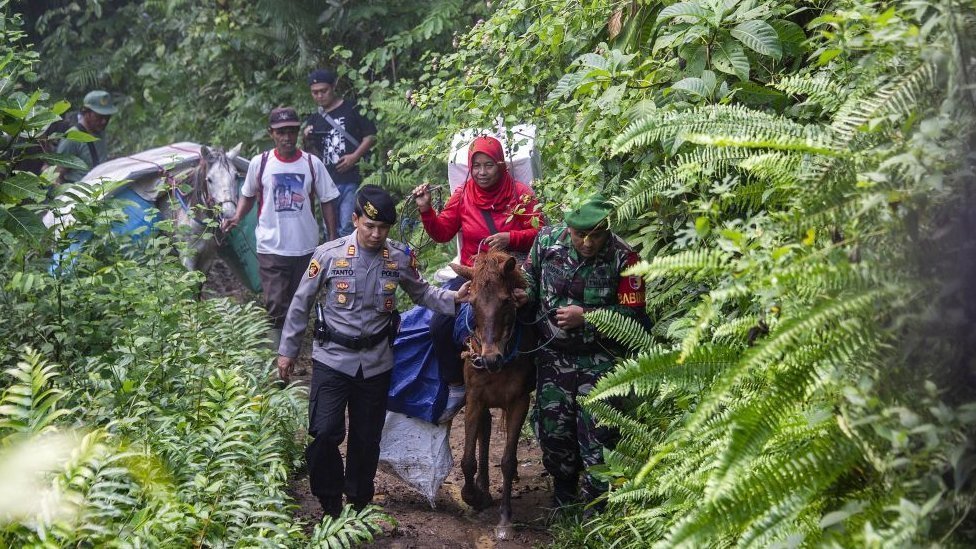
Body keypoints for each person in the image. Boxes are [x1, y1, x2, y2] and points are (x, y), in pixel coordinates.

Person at [277, 185, 471, 518]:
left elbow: (421, 292)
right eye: (369, 226)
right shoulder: (326, 255)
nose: (376, 233)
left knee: (366, 441)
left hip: (376, 363)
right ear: (355, 220)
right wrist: (287, 351)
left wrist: (453, 298)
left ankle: (357, 504)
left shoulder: (397, 257)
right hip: (332, 359)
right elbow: (301, 302)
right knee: (324, 433)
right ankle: (329, 502)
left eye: (382, 228)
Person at [515, 194, 647, 511]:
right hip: (553, 357)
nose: (587, 242)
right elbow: (531, 276)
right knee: (554, 432)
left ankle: (600, 509)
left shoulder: (625, 258)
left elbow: (638, 318)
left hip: (600, 360)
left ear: (607, 231)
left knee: (599, 438)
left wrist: (587, 316)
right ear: (569, 229)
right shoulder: (547, 240)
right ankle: (564, 500)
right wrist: (524, 293)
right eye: (580, 235)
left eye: (596, 235)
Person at [411, 135, 543, 423]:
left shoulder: (520, 194)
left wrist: (511, 236)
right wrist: (426, 210)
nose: (482, 173)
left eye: (488, 166)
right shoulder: (462, 195)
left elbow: (540, 232)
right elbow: (443, 232)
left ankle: (540, 383)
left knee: (538, 316)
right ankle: (457, 385)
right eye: (476, 166)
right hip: (474, 273)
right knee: (439, 324)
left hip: (511, 272)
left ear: (501, 165)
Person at [221, 107, 339, 350]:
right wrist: (237, 217)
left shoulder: (311, 163)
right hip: (271, 246)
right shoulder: (261, 163)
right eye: (281, 132)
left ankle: (294, 348)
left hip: (305, 246)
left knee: (301, 300)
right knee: (275, 302)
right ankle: (279, 354)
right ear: (271, 133)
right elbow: (248, 195)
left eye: (291, 131)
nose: (286, 137)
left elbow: (327, 200)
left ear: (297, 133)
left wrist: (332, 237)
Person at [302, 69, 377, 239]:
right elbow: (312, 157)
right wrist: (306, 138)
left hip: (352, 178)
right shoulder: (314, 119)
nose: (320, 96)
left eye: (324, 91)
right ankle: (336, 264)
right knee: (330, 231)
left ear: (333, 86)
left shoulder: (351, 108)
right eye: (315, 92)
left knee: (348, 227)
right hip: (327, 182)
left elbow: (371, 136)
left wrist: (355, 156)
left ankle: (351, 262)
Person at [55, 90, 118, 183]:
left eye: (107, 117)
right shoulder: (72, 137)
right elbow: (56, 176)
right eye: (99, 117)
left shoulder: (100, 131)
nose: (104, 121)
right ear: (86, 113)